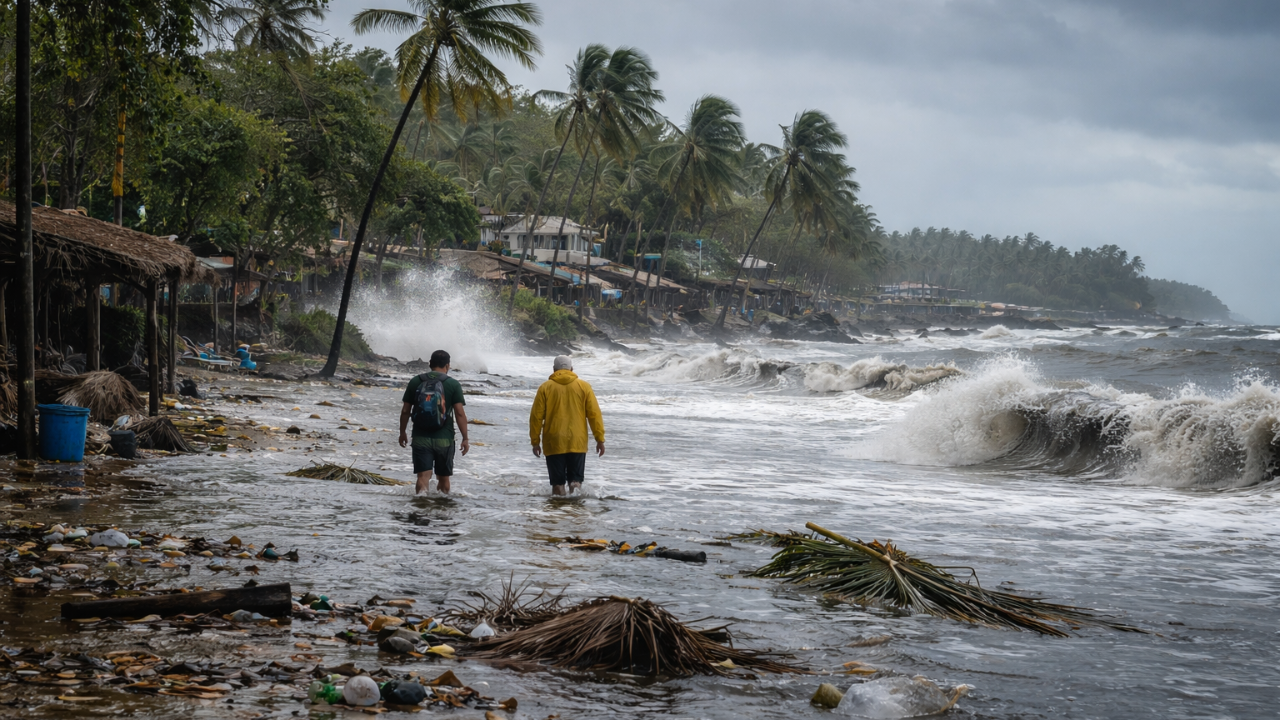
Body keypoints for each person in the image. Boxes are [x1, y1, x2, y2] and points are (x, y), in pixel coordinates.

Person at [529, 355, 605, 496]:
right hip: (577, 440)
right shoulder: (584, 386)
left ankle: (558, 514)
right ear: (571, 369)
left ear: (553, 369)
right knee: (575, 483)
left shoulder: (545, 388)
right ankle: (574, 514)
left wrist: (535, 442)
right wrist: (599, 439)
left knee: (557, 485)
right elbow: (594, 415)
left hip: (554, 442)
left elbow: (536, 418)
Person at [399, 350, 469, 494]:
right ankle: (441, 511)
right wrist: (465, 438)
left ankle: (420, 508)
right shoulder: (453, 384)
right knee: (444, 479)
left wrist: (402, 432)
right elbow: (460, 413)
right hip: (445, 439)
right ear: (448, 365)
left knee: (423, 476)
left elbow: (406, 410)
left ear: (430, 364)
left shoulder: (416, 381)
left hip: (420, 437)